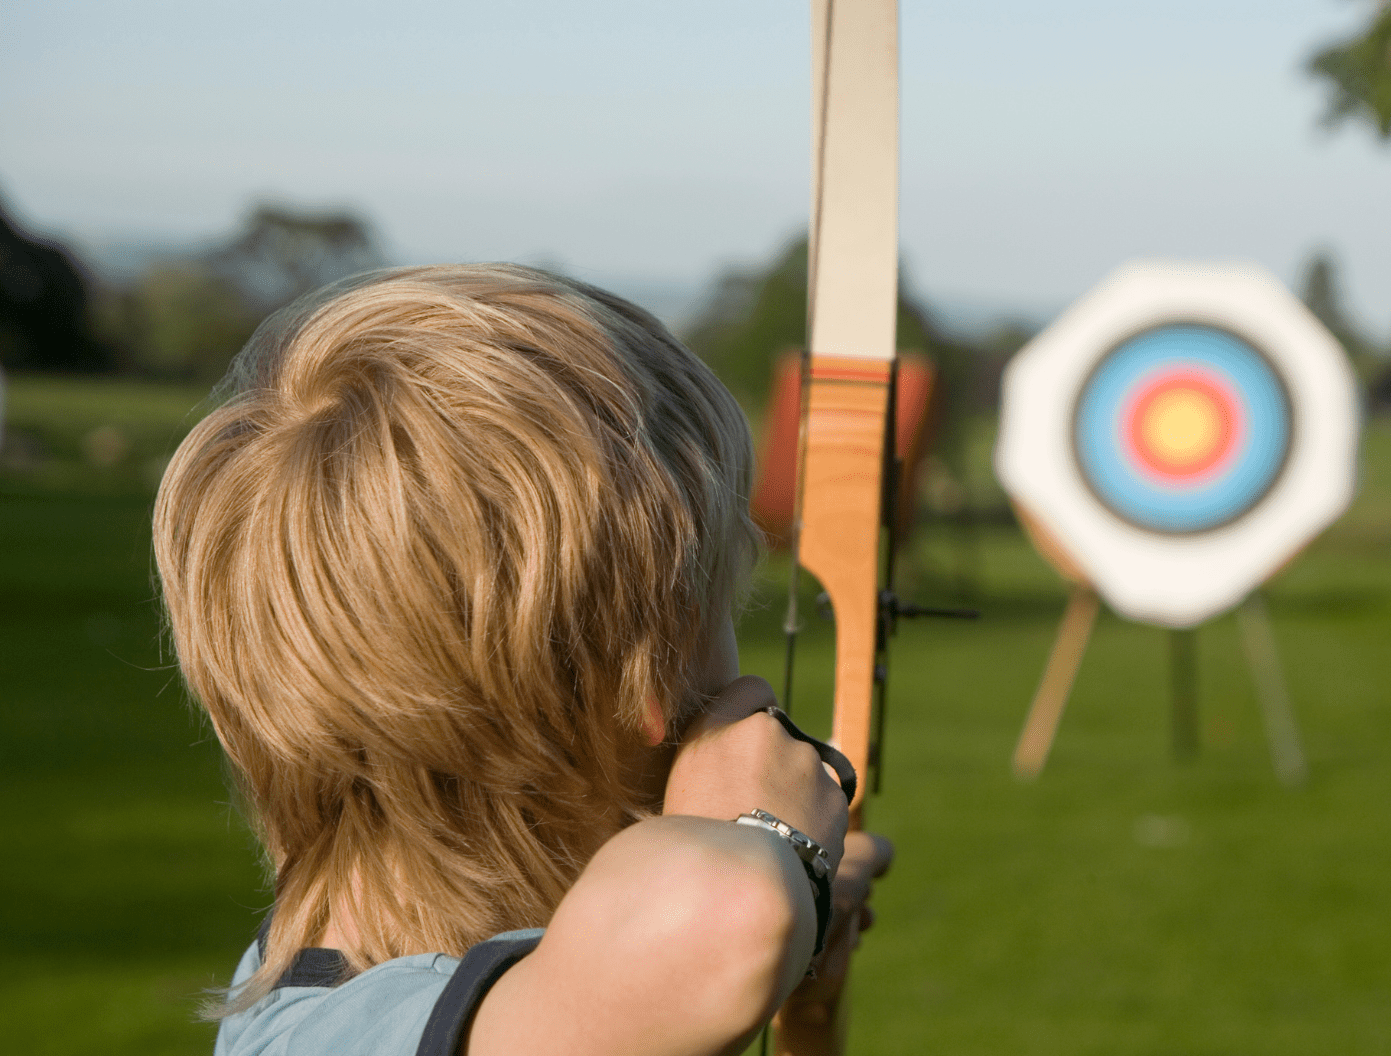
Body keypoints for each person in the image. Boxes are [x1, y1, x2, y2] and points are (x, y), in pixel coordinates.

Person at [152, 264, 891, 1056]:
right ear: (652, 669)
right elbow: (728, 919)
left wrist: (801, 936)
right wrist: (778, 843)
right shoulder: (349, 1037)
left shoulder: (381, 976)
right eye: (715, 610)